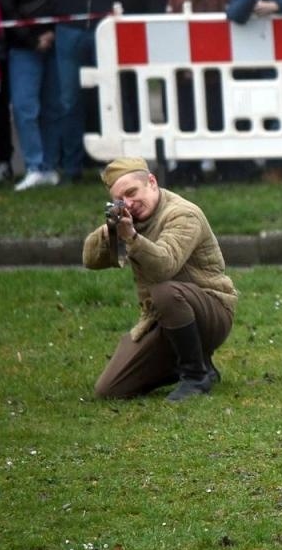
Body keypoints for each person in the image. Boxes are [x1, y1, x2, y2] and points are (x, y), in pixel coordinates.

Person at [85, 157, 237, 402]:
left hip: (211, 311)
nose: (129, 203)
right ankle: (195, 362)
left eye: (132, 192)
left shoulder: (183, 214)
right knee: (110, 389)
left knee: (165, 291)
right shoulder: (130, 219)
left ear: (152, 183)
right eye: (120, 200)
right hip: (162, 317)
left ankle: (195, 375)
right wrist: (111, 230)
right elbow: (90, 260)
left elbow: (164, 267)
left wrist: (132, 237)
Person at [42, 0, 137, 182]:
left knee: (109, 96)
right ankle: (72, 167)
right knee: (69, 100)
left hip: (103, 29)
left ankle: (115, 165)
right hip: (70, 29)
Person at [1, 0, 63, 191]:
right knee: (26, 109)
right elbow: (7, 8)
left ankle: (50, 166)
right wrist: (32, 39)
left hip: (55, 42)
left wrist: (51, 34)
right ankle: (34, 166)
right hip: (24, 47)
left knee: (53, 108)